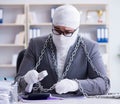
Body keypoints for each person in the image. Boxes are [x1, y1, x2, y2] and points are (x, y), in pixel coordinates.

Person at [16, 4, 110, 97]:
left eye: (68, 32)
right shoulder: (35, 44)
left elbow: (104, 84)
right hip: (42, 101)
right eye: (57, 30)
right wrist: (26, 79)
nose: (61, 37)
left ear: (76, 30)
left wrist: (75, 85)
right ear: (52, 26)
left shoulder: (90, 47)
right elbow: (17, 84)